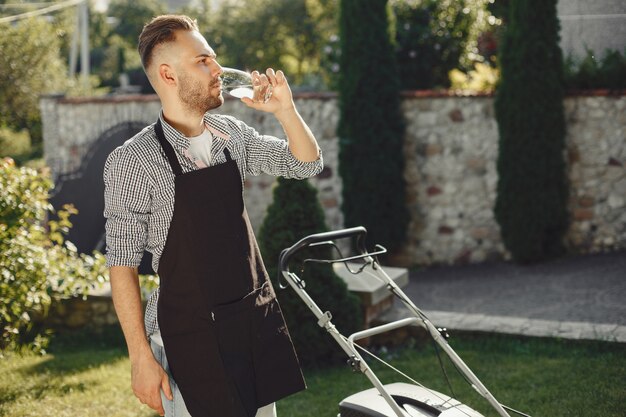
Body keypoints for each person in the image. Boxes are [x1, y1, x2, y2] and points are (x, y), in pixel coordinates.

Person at [103, 14, 323, 417]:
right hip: (188, 337)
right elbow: (122, 263)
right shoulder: (133, 161)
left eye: (214, 58)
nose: (217, 68)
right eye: (203, 60)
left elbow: (305, 164)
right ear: (168, 75)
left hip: (249, 323)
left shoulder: (230, 135)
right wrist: (139, 357)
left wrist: (285, 111)